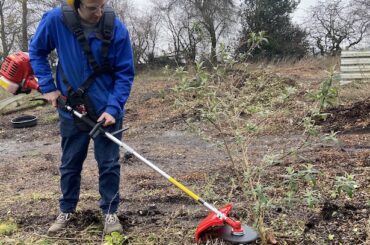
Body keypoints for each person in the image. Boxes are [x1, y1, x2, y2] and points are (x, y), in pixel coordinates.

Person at [29, 0, 134, 235]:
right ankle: (66, 210)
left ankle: (110, 212)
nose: (98, 13)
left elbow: (125, 73)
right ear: (76, 4)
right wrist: (48, 86)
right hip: (71, 107)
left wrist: (113, 108)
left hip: (106, 109)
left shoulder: (116, 28)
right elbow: (36, 51)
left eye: (101, 6)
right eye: (91, 8)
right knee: (70, 162)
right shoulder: (56, 20)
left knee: (108, 164)